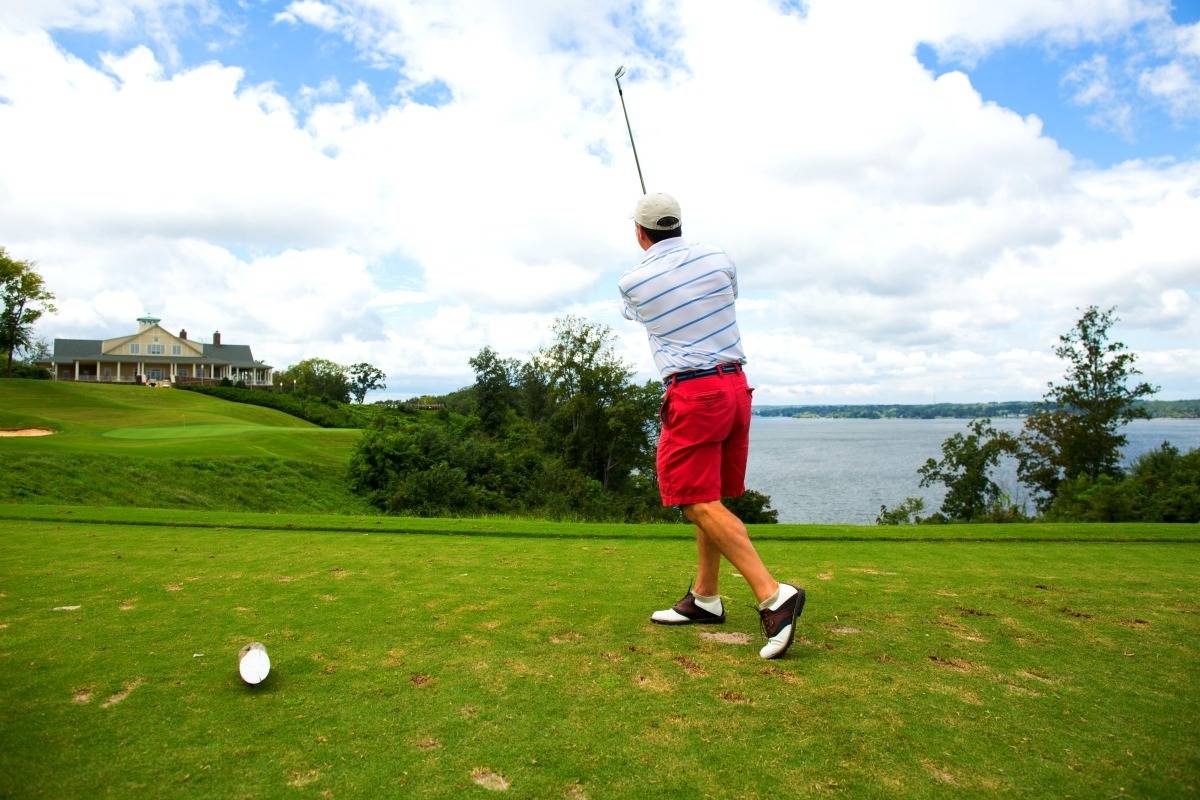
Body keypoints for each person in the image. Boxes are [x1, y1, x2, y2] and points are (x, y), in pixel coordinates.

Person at [619, 191, 805, 660]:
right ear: (678, 225)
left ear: (640, 233)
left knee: (693, 499)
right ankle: (705, 598)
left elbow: (639, 314)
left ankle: (772, 595)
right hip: (735, 388)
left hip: (695, 395)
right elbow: (723, 295)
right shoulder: (719, 259)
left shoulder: (633, 282)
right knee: (710, 496)